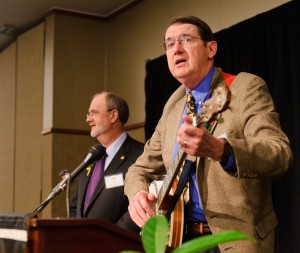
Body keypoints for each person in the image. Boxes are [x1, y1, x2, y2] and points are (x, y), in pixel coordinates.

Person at [124, 16, 293, 252]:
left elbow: (279, 155)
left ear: (211, 48)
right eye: (169, 44)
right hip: (177, 241)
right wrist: (138, 194)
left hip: (235, 240)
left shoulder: (242, 88)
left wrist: (223, 150)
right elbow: (138, 170)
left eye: (185, 39)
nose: (176, 49)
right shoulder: (173, 105)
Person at [70, 91, 144, 233]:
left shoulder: (140, 155)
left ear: (113, 115)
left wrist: (112, 238)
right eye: (88, 114)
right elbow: (76, 205)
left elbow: (140, 206)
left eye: (94, 113)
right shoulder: (91, 158)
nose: (88, 119)